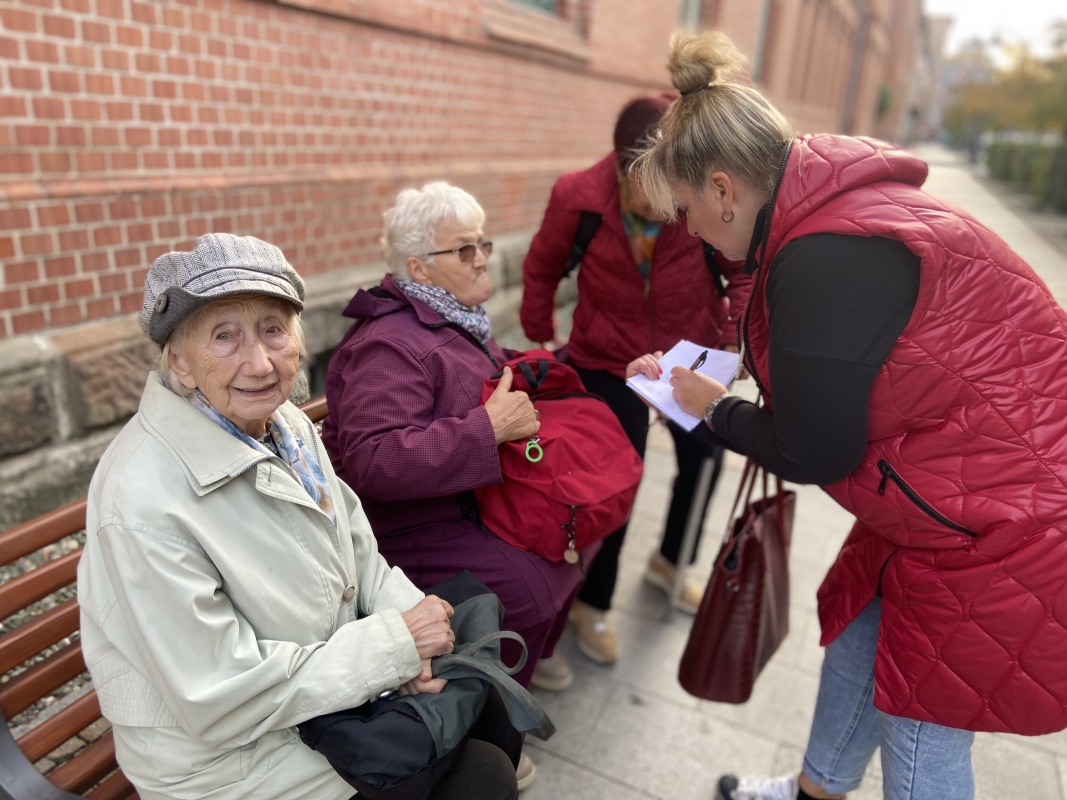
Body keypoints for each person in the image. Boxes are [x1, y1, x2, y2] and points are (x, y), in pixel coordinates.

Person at [632, 30, 1067, 800]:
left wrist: (710, 410)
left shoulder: (826, 253)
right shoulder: (824, 217)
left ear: (726, 188)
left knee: (921, 731)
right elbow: (840, 370)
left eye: (688, 209)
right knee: (859, 638)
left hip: (1002, 519)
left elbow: (815, 448)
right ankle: (815, 789)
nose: (688, 229)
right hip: (948, 494)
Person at [77, 233, 519, 800]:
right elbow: (219, 697)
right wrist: (391, 650)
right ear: (180, 363)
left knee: (491, 710)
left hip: (317, 700)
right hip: (230, 760)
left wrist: (414, 639)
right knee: (482, 777)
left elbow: (361, 554)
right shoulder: (140, 498)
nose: (259, 362)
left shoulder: (288, 426)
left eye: (272, 329)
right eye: (224, 336)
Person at [322, 182, 591, 791]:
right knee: (527, 583)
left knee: (574, 537)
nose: (481, 258)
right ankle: (486, 716)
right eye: (464, 248)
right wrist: (486, 429)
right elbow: (370, 462)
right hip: (408, 528)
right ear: (418, 268)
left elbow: (501, 367)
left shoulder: (451, 319)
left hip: (463, 502)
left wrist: (593, 364)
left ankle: (513, 681)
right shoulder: (389, 343)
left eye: (482, 243)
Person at [520, 95, 750, 664]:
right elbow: (542, 269)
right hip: (605, 356)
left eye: (671, 182)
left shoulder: (696, 194)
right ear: (625, 169)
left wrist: (731, 337)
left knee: (704, 458)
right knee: (618, 480)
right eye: (649, 184)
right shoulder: (579, 196)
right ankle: (591, 604)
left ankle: (672, 559)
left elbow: (740, 272)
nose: (663, 201)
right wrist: (541, 340)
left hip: (688, 355)